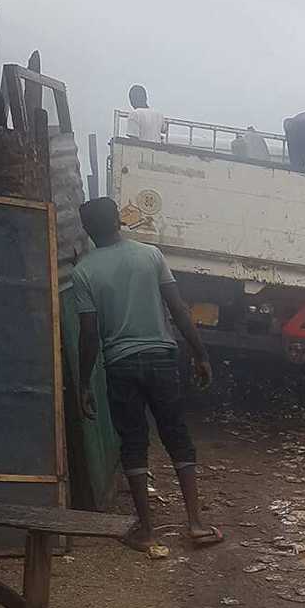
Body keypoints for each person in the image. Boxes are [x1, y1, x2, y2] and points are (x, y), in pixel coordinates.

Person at [73, 197, 223, 554]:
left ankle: (148, 530)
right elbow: (178, 309)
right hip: (161, 358)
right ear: (119, 222)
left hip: (121, 364)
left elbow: (89, 334)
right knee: (177, 435)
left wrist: (83, 382)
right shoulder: (150, 255)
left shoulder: (83, 271)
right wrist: (201, 355)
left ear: (87, 230)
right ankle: (196, 524)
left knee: (134, 443)